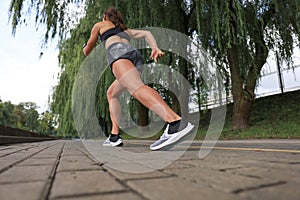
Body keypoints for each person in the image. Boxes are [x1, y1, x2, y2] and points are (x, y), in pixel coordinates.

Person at [83, 7, 194, 150]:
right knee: (112, 93)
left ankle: (175, 122)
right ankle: (114, 136)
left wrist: (85, 47)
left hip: (118, 54)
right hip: (134, 57)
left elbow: (88, 49)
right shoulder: (126, 30)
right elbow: (146, 33)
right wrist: (154, 48)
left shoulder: (100, 25)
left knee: (136, 88)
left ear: (105, 17)